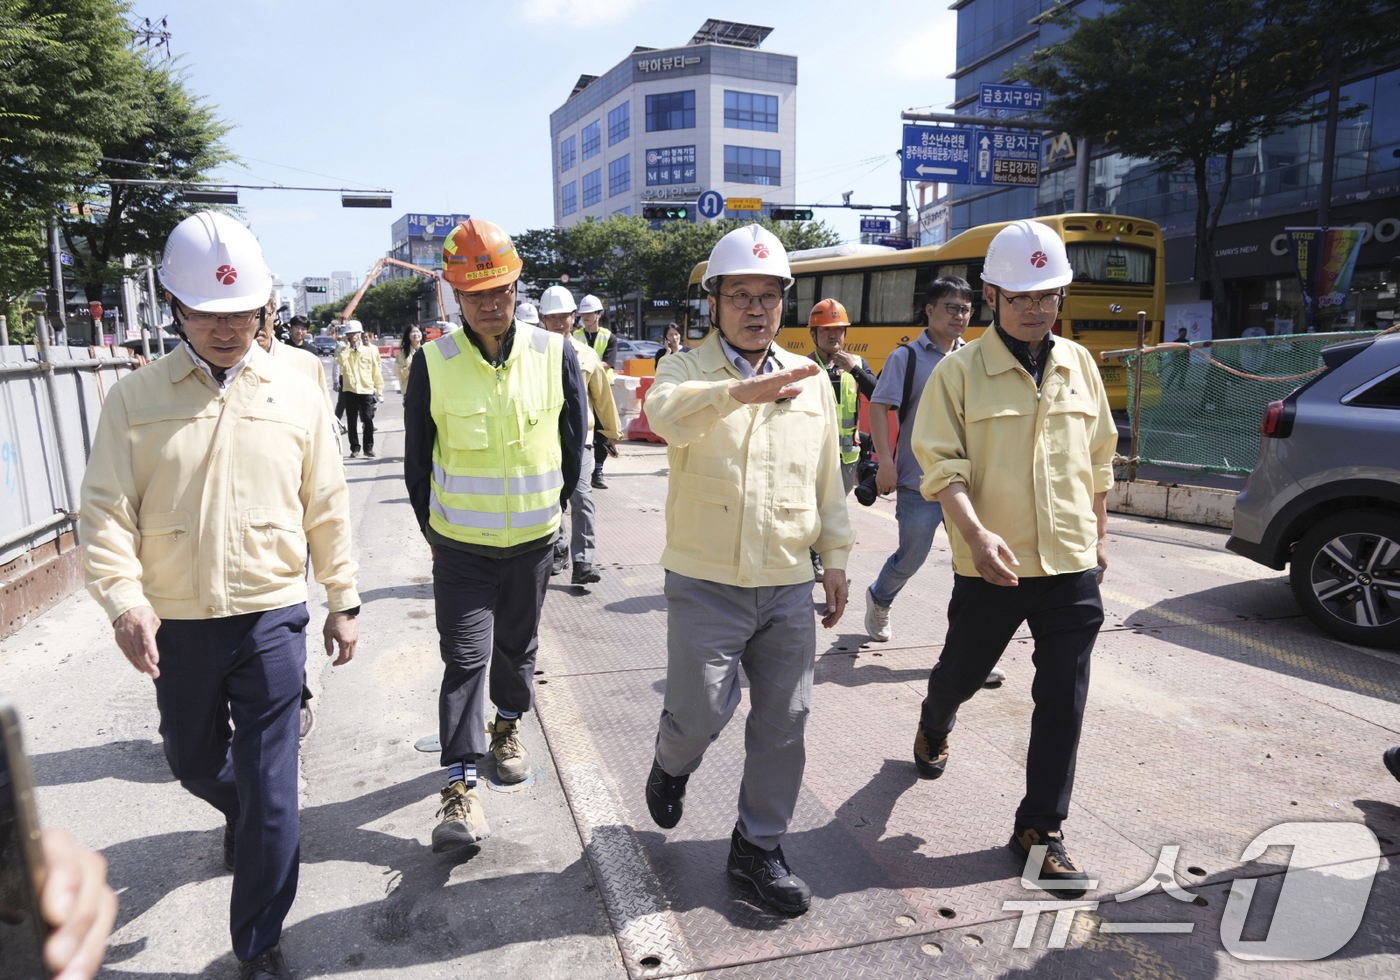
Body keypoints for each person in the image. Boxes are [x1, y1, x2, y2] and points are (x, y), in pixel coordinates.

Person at [80, 211, 360, 980]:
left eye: (243, 313)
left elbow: (326, 501)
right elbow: (103, 510)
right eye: (208, 312)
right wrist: (123, 599)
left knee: (276, 796)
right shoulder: (135, 400)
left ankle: (258, 942)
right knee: (192, 759)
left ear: (265, 308)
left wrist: (343, 596)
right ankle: (233, 806)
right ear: (175, 308)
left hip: (272, 614)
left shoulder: (297, 390)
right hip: (177, 624)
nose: (228, 328)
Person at [642, 224, 855, 916]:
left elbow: (827, 478)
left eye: (769, 296)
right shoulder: (684, 371)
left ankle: (757, 847)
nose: (756, 309)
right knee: (701, 709)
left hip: (787, 580)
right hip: (705, 579)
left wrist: (837, 559)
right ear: (715, 302)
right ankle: (673, 762)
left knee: (785, 720)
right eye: (741, 295)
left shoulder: (812, 380)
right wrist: (739, 395)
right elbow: (664, 418)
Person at [909, 219, 1116, 897]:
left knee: (1064, 697)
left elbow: (1099, 462)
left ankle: (1039, 830)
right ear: (992, 294)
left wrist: (1101, 537)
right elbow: (941, 468)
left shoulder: (1079, 364)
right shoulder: (960, 373)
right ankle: (936, 718)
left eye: (1048, 294)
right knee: (962, 674)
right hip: (991, 567)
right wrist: (974, 535)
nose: (1036, 307)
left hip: (1069, 566)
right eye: (1022, 295)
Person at [403, 218, 587, 853]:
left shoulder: (554, 352)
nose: (489, 303)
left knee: (518, 646)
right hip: (461, 549)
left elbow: (573, 448)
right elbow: (416, 463)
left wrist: (549, 514)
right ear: (456, 296)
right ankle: (458, 788)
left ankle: (508, 726)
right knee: (464, 659)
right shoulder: (432, 363)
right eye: (475, 293)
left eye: (500, 290)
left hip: (533, 543)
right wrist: (438, 533)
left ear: (516, 287)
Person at [538, 286, 623, 584]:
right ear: (542, 319)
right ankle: (559, 548)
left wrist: (611, 434)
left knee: (582, 498)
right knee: (550, 500)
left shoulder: (587, 355)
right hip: (543, 442)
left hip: (580, 442)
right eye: (553, 317)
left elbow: (602, 397)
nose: (559, 322)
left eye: (564, 316)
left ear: (574, 318)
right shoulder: (532, 355)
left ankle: (583, 562)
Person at [574, 294, 616, 489]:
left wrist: (588, 365)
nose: (586, 317)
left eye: (590, 314)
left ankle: (598, 471)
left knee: (601, 432)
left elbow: (609, 363)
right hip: (580, 388)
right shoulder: (575, 336)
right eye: (584, 314)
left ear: (599, 314)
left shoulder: (609, 337)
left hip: (601, 390)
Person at [336, 321, 383, 458]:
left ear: (360, 334)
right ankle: (354, 448)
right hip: (350, 389)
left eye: (354, 333)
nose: (352, 336)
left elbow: (375, 370)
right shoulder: (342, 351)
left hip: (366, 389)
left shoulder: (368, 351)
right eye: (349, 334)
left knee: (368, 418)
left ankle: (368, 448)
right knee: (351, 420)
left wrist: (379, 388)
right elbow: (340, 362)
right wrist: (348, 348)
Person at [395, 325, 424, 396]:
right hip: (410, 392)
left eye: (418, 331)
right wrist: (409, 368)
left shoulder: (427, 350)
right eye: (412, 332)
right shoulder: (402, 353)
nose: (416, 334)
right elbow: (398, 373)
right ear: (408, 335)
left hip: (426, 390)